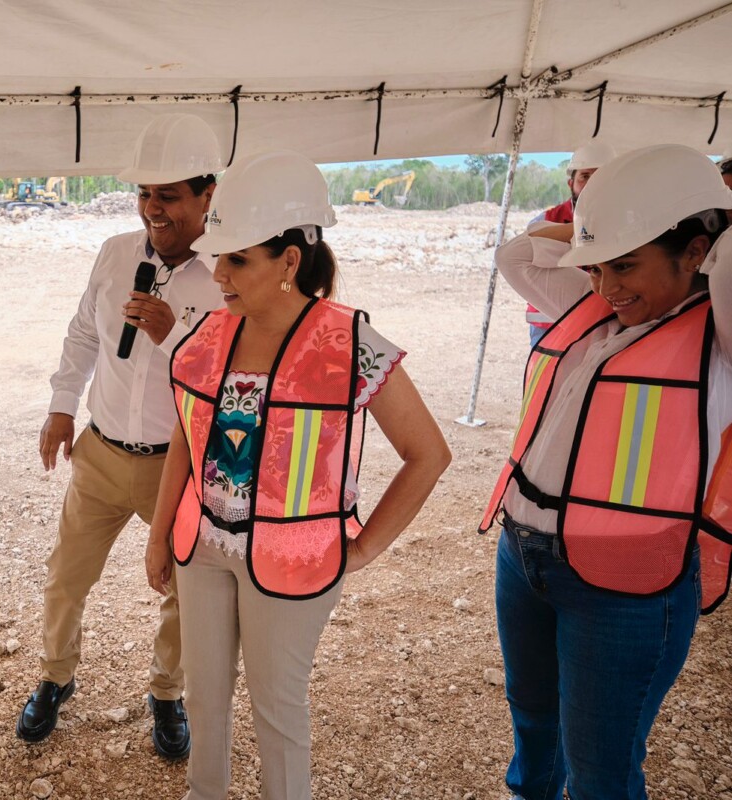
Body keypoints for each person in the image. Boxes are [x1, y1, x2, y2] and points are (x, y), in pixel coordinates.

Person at [146, 150, 451, 800]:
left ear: (288, 261)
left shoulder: (353, 344)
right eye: (218, 256)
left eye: (237, 260)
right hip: (201, 546)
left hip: (295, 557)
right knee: (203, 696)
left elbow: (428, 454)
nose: (217, 273)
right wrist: (159, 533)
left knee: (277, 708)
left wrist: (364, 547)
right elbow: (186, 437)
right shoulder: (208, 333)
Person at [482, 143, 732, 800]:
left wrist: (716, 220)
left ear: (697, 251)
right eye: (595, 268)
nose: (606, 287)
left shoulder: (721, 337)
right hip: (524, 555)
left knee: (599, 774)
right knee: (533, 726)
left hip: (626, 584)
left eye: (625, 265)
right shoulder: (599, 308)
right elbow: (516, 255)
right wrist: (600, 230)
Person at [16, 114, 226, 758]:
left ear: (208, 194)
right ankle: (56, 676)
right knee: (65, 577)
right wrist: (61, 407)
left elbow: (232, 381)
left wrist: (174, 336)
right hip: (102, 453)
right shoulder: (114, 254)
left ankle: (167, 693)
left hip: (180, 467)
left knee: (185, 593)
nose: (152, 208)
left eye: (169, 195)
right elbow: (84, 333)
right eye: (144, 193)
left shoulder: (229, 272)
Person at [525, 141, 618, 347]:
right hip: (550, 326)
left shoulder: (629, 221)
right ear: (571, 184)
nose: (592, 184)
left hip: (600, 322)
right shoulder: (546, 221)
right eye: (585, 176)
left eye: (600, 177)